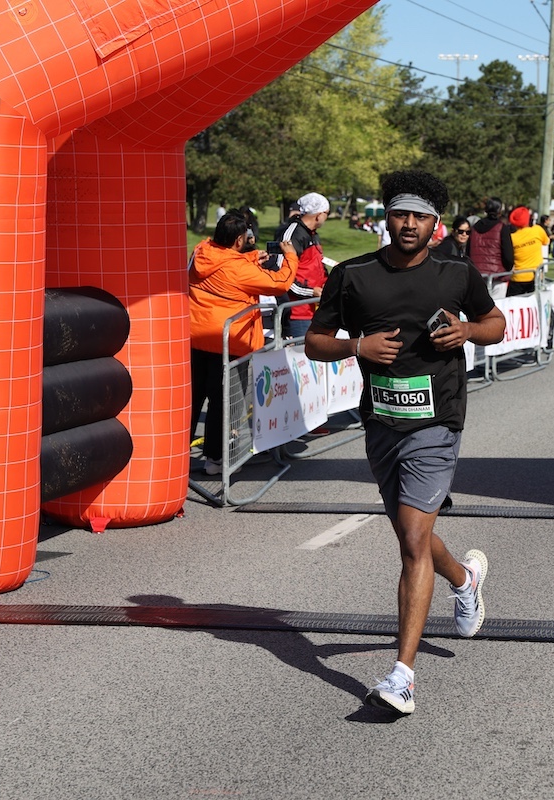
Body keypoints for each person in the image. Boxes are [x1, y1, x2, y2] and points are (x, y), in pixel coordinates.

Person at [303, 170, 506, 716]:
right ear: (387, 219)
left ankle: (403, 676)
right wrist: (357, 347)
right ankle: (465, 579)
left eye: (420, 216)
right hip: (381, 422)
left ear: (435, 225)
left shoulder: (456, 273)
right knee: (412, 533)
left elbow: (496, 322)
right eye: (400, 214)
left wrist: (468, 331)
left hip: (438, 420)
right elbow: (314, 341)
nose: (409, 224)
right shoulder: (353, 275)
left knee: (412, 540)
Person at [189, 211, 297, 474]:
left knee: (191, 401)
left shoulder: (201, 251)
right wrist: (290, 256)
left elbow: (224, 262)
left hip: (195, 338)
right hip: (229, 343)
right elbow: (280, 283)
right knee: (225, 403)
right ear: (239, 240)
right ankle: (216, 458)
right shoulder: (239, 269)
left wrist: (250, 258)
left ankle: (176, 456)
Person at [279, 192, 330, 338]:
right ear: (318, 215)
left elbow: (316, 265)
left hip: (315, 309)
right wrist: (311, 292)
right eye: (327, 213)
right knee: (302, 351)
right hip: (298, 312)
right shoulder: (293, 234)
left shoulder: (313, 234)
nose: (327, 218)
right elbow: (282, 276)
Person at [506, 206, 549, 296]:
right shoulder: (537, 230)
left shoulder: (511, 237)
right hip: (535, 276)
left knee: (514, 302)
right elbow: (546, 242)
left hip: (518, 276)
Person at [468, 197, 511, 283]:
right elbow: (508, 256)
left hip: (477, 275)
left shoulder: (475, 227)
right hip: (497, 276)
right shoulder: (502, 228)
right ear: (499, 210)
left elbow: (468, 251)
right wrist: (507, 269)